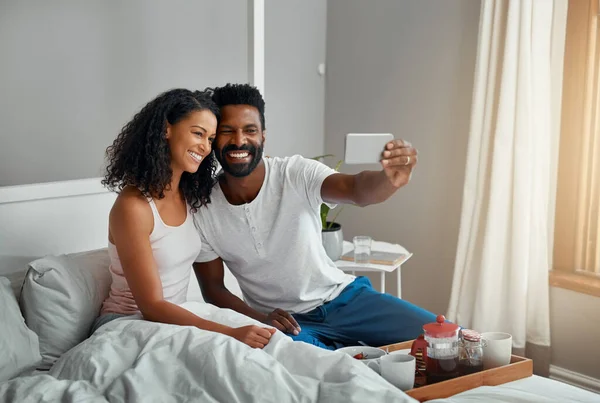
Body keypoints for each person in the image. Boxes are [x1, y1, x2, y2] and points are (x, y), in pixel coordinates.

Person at [193, 83, 438, 350]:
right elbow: (214, 289)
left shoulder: (295, 173)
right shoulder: (203, 208)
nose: (239, 141)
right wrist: (261, 319)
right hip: (285, 324)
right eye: (228, 131)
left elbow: (356, 189)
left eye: (249, 130)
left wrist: (389, 180)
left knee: (445, 338)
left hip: (345, 300)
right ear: (214, 138)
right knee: (338, 372)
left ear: (263, 136)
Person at [94, 88, 275, 349]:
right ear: (166, 129)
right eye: (197, 133)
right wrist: (229, 333)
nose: (205, 146)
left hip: (171, 322)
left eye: (211, 138)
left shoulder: (191, 197)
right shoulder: (133, 206)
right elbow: (152, 306)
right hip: (127, 325)